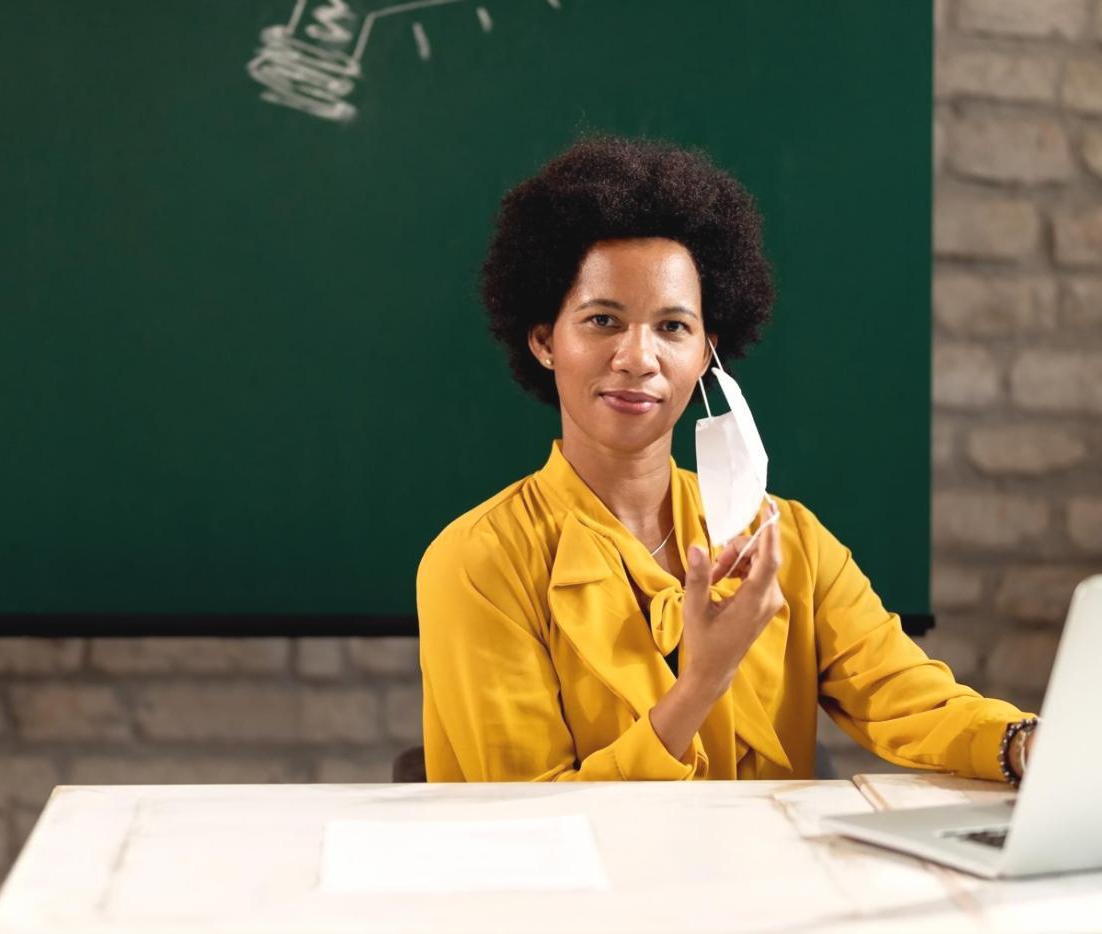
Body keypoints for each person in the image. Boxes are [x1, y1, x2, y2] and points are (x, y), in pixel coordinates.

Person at [416, 136, 1038, 783]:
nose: (638, 358)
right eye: (603, 320)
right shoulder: (477, 563)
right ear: (545, 341)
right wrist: (701, 685)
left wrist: (1026, 745)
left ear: (708, 351)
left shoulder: (786, 542)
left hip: (769, 885)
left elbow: (916, 704)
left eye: (673, 327)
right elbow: (528, 826)